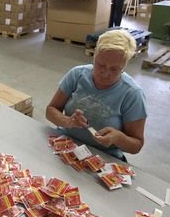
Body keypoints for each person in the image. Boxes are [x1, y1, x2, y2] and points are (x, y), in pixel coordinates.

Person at [45, 29, 146, 161]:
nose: (105, 73)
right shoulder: (77, 75)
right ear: (94, 56)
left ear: (124, 66)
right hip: (66, 144)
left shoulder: (132, 94)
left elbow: (136, 145)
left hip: (103, 157)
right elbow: (50, 110)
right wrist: (67, 121)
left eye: (114, 69)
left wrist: (117, 137)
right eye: (100, 65)